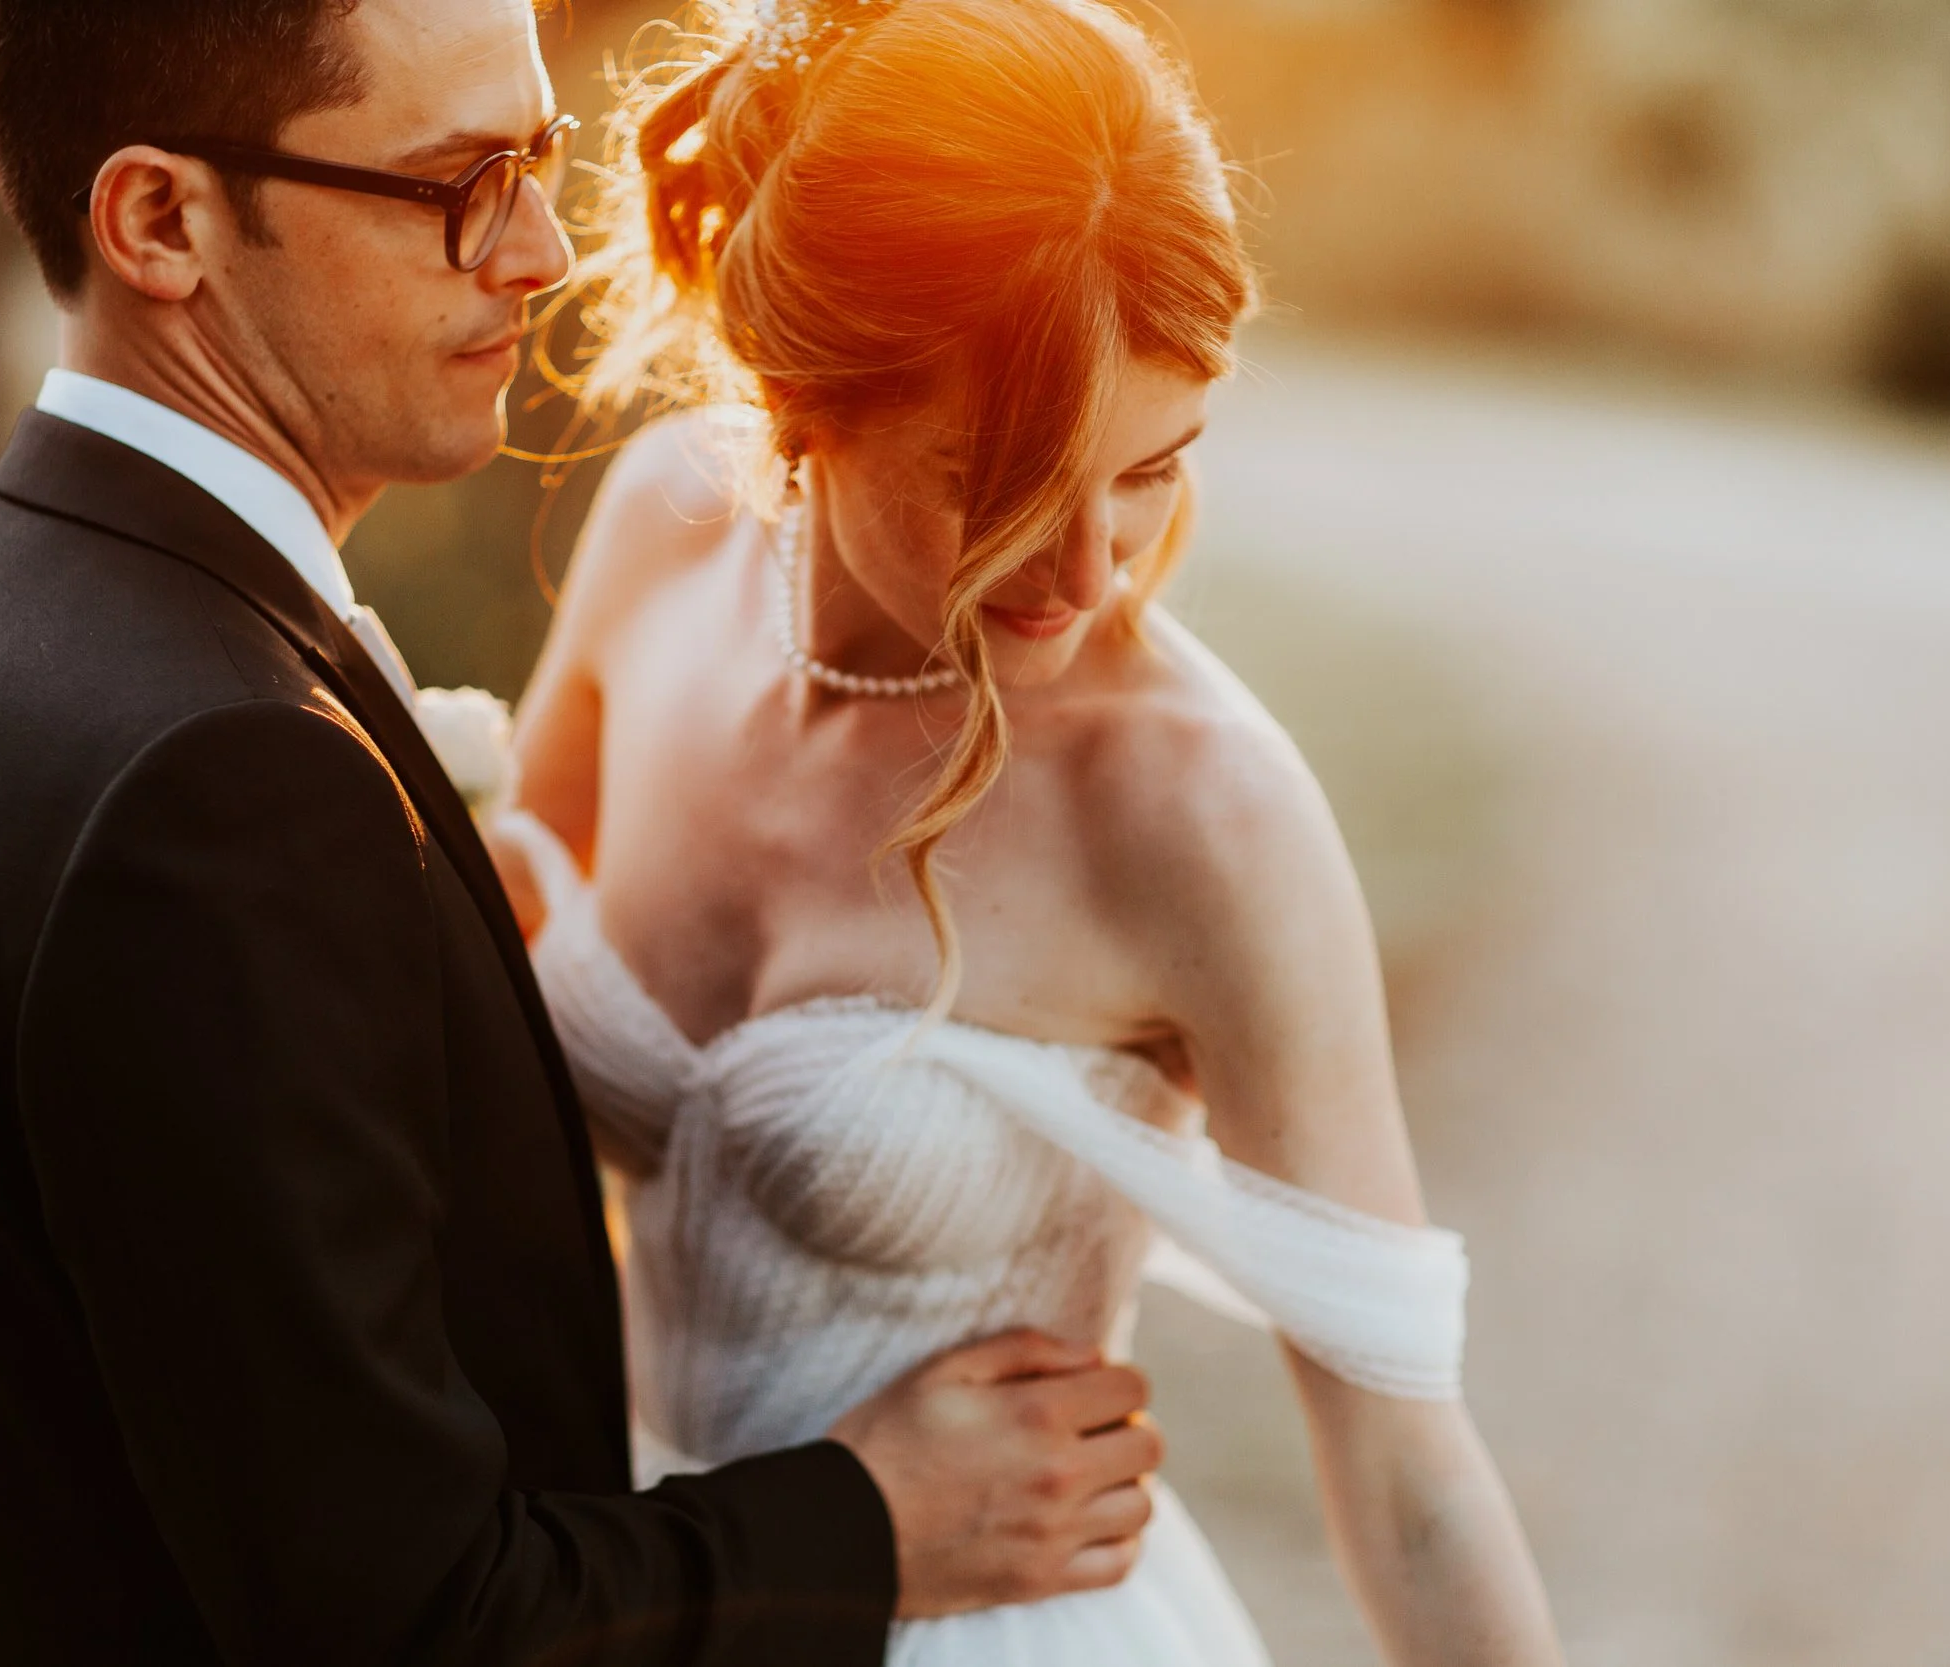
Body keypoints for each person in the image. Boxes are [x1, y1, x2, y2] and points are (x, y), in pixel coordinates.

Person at [0, 0, 1168, 1661]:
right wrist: (871, 1521)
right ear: (163, 221)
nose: (535, 252)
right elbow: (418, 1624)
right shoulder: (222, 779)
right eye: (456, 182)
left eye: (534, 157)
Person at [493, 0, 1570, 1660]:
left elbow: (1407, 1469)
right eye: (989, 490)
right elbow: (480, 1021)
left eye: (1151, 468)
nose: (1088, 574)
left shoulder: (1203, 813)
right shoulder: (663, 529)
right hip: (639, 1586)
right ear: (802, 397)